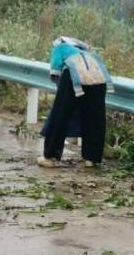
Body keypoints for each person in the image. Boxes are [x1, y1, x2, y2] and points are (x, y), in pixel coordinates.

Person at [38, 36, 114, 168]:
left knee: (60, 114)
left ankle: (49, 157)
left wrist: (62, 93)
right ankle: (92, 159)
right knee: (95, 116)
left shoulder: (60, 47)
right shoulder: (90, 53)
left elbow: (55, 71)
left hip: (73, 76)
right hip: (99, 78)